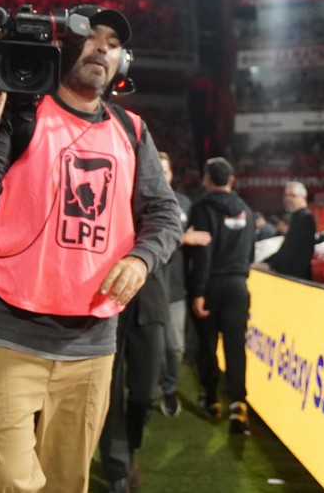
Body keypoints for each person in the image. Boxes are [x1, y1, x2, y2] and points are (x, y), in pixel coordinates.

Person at [0, 5, 180, 492]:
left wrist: (141, 259)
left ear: (122, 62)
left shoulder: (132, 130)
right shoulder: (17, 110)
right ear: (59, 46)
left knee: (65, 482)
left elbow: (165, 215)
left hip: (91, 340)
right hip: (0, 325)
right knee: (0, 478)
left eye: (114, 43)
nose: (103, 47)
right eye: (91, 35)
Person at [99, 150, 210, 492]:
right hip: (108, 303)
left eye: (164, 169)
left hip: (152, 301)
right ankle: (118, 468)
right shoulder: (116, 193)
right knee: (109, 391)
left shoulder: (170, 205)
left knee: (146, 391)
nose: (158, 173)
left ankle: (129, 448)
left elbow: (171, 235)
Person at [187, 157, 255, 434]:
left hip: (211, 285)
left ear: (206, 179)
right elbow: (251, 251)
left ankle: (211, 398)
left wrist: (198, 291)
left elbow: (202, 254)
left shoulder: (202, 209)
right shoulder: (246, 210)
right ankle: (238, 404)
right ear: (232, 180)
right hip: (238, 286)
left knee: (207, 345)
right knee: (235, 347)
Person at [157, 151, 211, 417]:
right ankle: (145, 390)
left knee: (174, 347)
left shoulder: (184, 203)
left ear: (171, 174)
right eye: (156, 168)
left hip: (176, 288)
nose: (160, 174)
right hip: (144, 288)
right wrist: (182, 238)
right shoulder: (134, 200)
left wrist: (197, 285)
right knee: (147, 346)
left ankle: (167, 388)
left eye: (165, 170)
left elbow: (197, 245)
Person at [257, 180, 314, 279]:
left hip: (296, 278)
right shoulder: (297, 217)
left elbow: (290, 249)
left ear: (303, 197)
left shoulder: (305, 218)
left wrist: (270, 265)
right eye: (286, 195)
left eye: (292, 195)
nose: (288, 199)